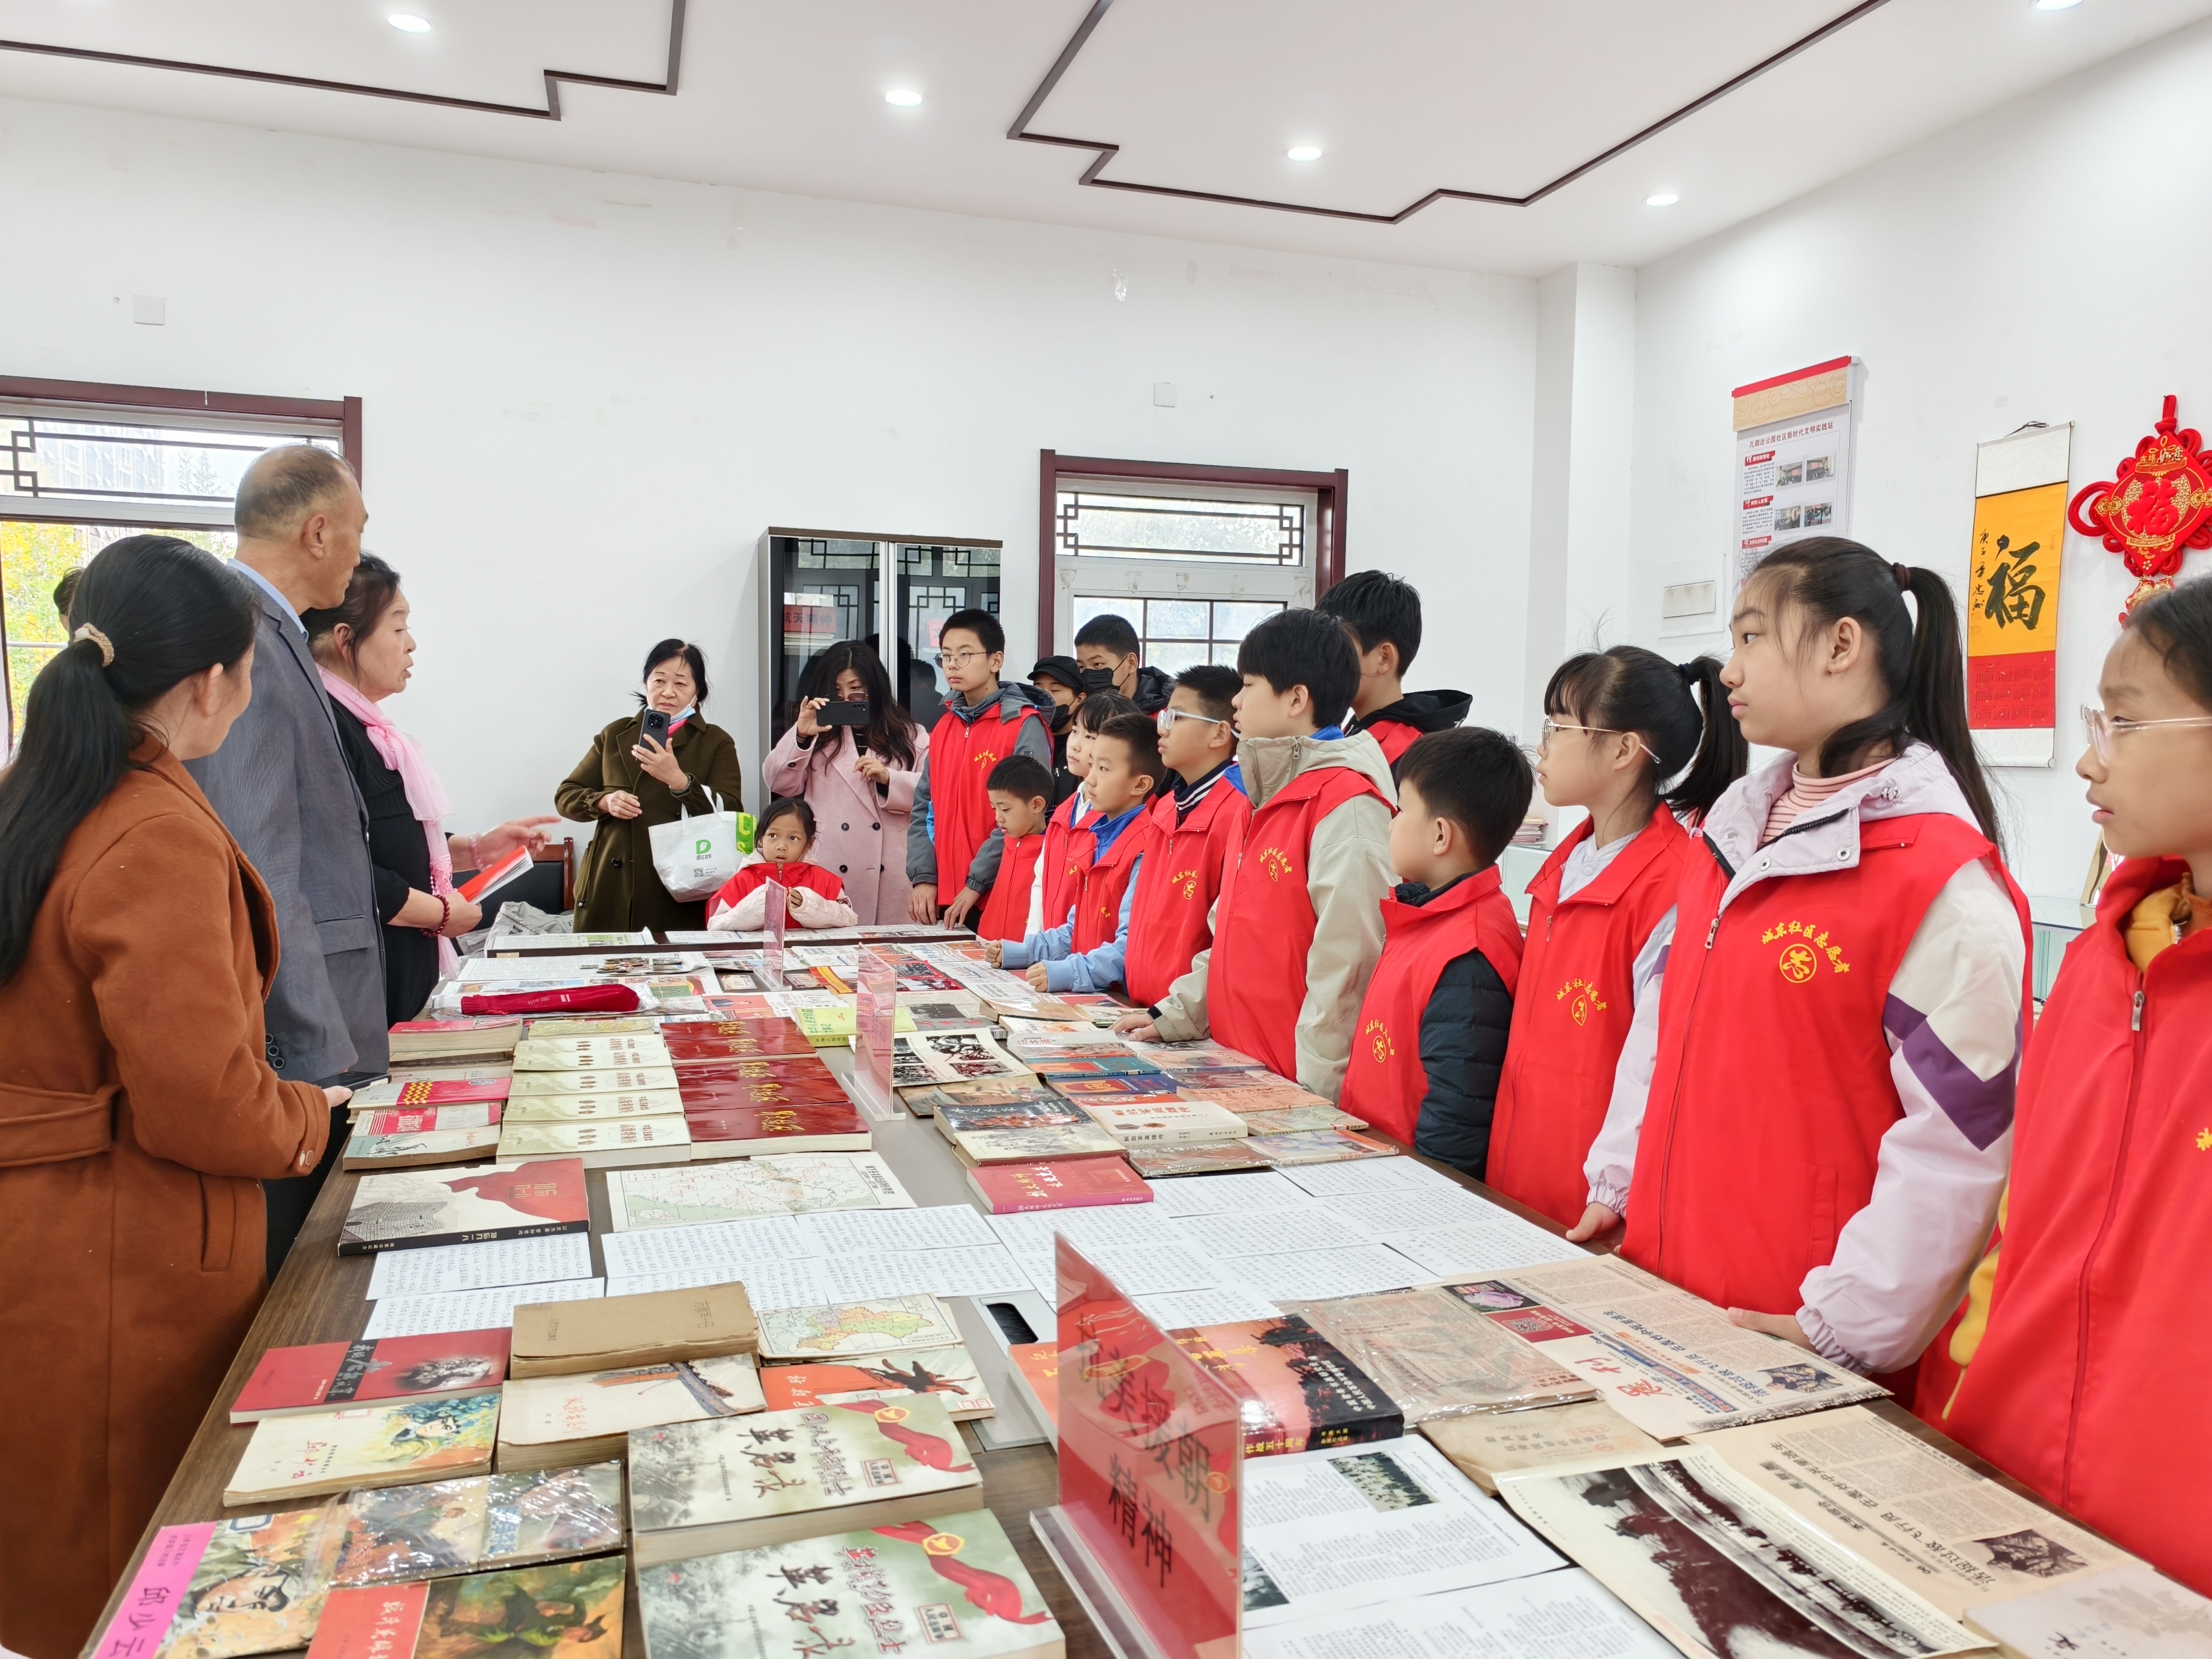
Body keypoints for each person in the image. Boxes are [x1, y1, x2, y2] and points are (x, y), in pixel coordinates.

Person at [1573, 539, 2030, 1387]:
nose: (1730, 670)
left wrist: (1843, 1327)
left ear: (1841, 645)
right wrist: (1619, 1180)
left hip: (1798, 1330)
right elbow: (1660, 1034)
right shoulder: (1728, 839)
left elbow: (1960, 1143)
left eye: (1752, 636)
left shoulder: (1938, 882)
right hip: (1670, 1289)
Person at [0, 536, 341, 1659]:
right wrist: (316, 1116)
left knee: (65, 1545)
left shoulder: (39, 794)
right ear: (210, 681)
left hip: (43, 1232)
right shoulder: (152, 832)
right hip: (123, 1245)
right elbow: (205, 1106)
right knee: (137, 1561)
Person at [1939, 579, 2212, 1594]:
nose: (2092, 760)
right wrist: (1965, 1397)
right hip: (2010, 1492)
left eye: (2125, 723)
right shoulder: (2108, 960)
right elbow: (2024, 1223)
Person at [184, 443, 381, 1275]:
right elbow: (264, 867)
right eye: (358, 530)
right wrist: (312, 1053)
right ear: (319, 531)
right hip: (303, 1038)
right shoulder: (244, 638)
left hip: (322, 1013)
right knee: (304, 1266)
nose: (361, 552)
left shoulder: (277, 631)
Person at [1485, 646, 1745, 1226]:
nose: (1542, 746)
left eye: (1558, 727)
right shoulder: (1565, 865)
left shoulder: (1675, 886)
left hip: (1596, 1197)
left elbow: (1656, 1066)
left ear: (1624, 750)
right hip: (1518, 1169)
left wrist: (1614, 1192)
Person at [1120, 609, 1395, 1101]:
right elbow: (1228, 934)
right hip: (1240, 1065)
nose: (1237, 700)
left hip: (1292, 1084)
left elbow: (1348, 968)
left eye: (1249, 685)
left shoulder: (1346, 805)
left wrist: (1317, 1094)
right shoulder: (1259, 798)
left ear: (1296, 698)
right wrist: (1179, 1013)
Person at [305, 555, 557, 1023]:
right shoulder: (326, 729)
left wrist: (477, 849)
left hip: (400, 987)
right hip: (364, 992)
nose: (412, 644)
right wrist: (438, 914)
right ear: (345, 639)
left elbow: (388, 842)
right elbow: (336, 868)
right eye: (398, 627)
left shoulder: (368, 728)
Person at [1338, 727, 1532, 1177]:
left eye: (1402, 810)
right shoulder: (1429, 917)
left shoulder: (1470, 950)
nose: (1391, 823)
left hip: (1409, 1182)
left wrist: (1425, 1194)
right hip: (1378, 1164)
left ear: (1441, 835)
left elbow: (1455, 1115)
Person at [557, 639, 747, 934]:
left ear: (697, 692)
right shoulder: (615, 734)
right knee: (602, 962)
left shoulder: (715, 741)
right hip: (610, 887)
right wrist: (604, 802)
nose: (668, 692)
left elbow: (733, 810)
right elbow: (566, 795)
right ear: (646, 684)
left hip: (677, 890)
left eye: (681, 683)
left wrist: (680, 781)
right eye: (659, 680)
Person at [905, 609, 1055, 927]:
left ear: (996, 661)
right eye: (946, 656)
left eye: (964, 654)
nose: (952, 665)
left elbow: (1025, 816)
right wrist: (925, 877)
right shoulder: (945, 727)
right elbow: (924, 807)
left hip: (998, 892)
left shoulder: (1023, 725)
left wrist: (976, 883)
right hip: (947, 893)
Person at [764, 640, 927, 924]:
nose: (846, 699)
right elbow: (779, 783)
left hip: (893, 870)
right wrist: (802, 734)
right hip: (830, 865)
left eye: (856, 689)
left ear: (875, 687)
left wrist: (889, 779)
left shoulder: (910, 735)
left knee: (888, 949)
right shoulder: (818, 734)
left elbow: (933, 794)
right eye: (836, 691)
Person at [996, 712, 1161, 992]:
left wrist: (1069, 972)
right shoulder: (1097, 836)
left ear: (1140, 785)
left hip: (1116, 997)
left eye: (1104, 769)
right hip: (1091, 987)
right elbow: (1077, 927)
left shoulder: (1145, 848)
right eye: (1092, 765)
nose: (1091, 779)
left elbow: (1130, 944)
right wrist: (1023, 952)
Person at [1124, 665, 1249, 1007]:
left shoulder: (1238, 811)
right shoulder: (1166, 806)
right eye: (1165, 716)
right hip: (1142, 1003)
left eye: (1176, 718)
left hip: (1190, 1012)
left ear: (1220, 734)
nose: (1162, 728)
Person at [1317, 570, 1469, 765]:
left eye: (1337, 647)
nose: (1322, 659)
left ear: (1384, 658)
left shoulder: (1406, 757)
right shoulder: (1361, 728)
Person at [706, 798, 861, 931]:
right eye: (773, 836)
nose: (781, 846)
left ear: (809, 844)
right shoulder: (742, 880)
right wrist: (756, 906)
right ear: (761, 838)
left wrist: (810, 906)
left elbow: (850, 918)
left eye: (793, 838)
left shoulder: (825, 881)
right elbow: (715, 924)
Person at [976, 756, 1056, 943]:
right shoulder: (1009, 841)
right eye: (994, 809)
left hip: (1024, 950)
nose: (998, 818)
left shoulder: (1052, 848)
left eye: (1005, 809)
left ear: (1037, 805)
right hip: (987, 943)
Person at [1074, 612, 1175, 712]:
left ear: (1131, 663)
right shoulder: (1079, 712)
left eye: (1097, 664)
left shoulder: (1168, 715)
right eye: (1081, 667)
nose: (1087, 676)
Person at [1029, 654, 1086, 804]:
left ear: (1080, 699)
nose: (1045, 697)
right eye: (1038, 689)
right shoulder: (1026, 740)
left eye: (1055, 690)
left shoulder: (1089, 747)